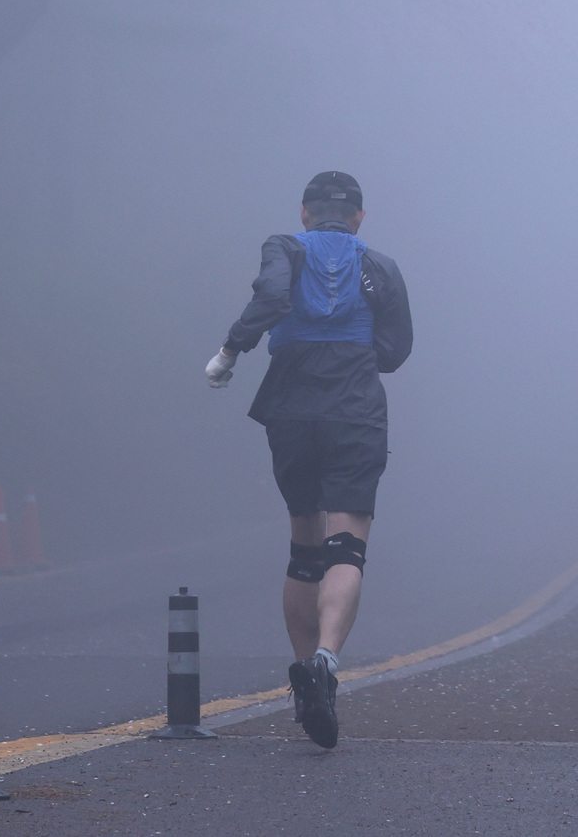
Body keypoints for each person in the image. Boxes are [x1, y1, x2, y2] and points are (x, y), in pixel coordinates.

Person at [204, 171, 412, 749]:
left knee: (304, 545)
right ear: (359, 219)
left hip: (292, 402)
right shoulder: (380, 266)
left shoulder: (285, 249)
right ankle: (324, 662)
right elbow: (395, 351)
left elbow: (270, 299)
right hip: (354, 405)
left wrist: (229, 352)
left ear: (304, 213)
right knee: (349, 546)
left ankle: (305, 685)